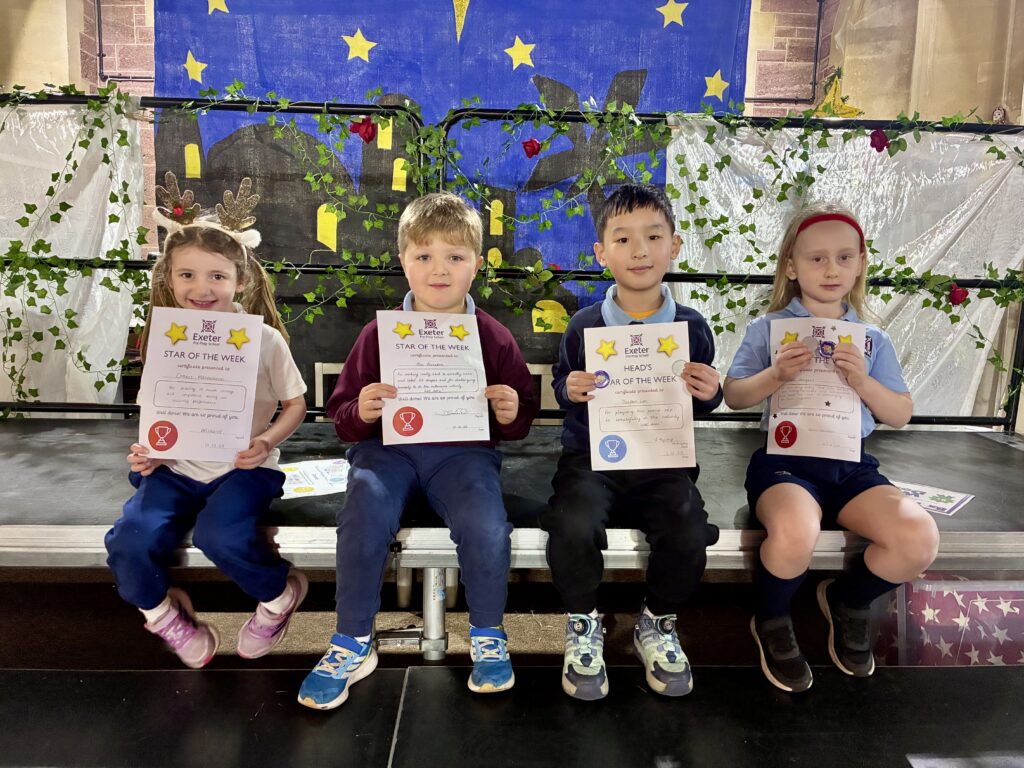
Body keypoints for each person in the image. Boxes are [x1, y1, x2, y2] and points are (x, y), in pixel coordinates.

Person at [298, 191, 539, 710]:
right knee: (362, 511)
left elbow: (521, 417)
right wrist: (363, 410)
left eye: (455, 256)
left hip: (463, 456)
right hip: (387, 454)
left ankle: (488, 633)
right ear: (403, 260)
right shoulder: (377, 334)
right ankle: (352, 639)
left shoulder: (493, 337)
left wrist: (510, 410)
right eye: (424, 255)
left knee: (486, 524)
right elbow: (342, 419)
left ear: (477, 263)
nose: (439, 269)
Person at [723, 203, 940, 693]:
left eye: (844, 257)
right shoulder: (768, 329)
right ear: (791, 266)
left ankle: (849, 600)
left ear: (860, 264)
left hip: (851, 466)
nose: (831, 269)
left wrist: (863, 381)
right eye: (816, 258)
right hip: (786, 466)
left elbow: (899, 413)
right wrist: (775, 374)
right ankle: (771, 616)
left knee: (918, 538)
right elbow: (734, 395)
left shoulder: (873, 339)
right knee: (796, 532)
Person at [105, 175, 308, 668]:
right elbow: (160, 409)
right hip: (174, 468)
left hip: (242, 468)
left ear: (240, 280)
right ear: (169, 279)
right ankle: (161, 615)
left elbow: (296, 405)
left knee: (222, 537)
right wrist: (148, 451)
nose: (201, 288)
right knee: (130, 540)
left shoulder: (264, 341)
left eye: (217, 276)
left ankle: (279, 597)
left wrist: (265, 442)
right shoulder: (163, 337)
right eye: (188, 275)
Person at [541, 183, 722, 701]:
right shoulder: (584, 325)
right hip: (591, 459)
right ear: (602, 254)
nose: (639, 250)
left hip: (664, 460)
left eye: (653, 236)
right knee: (571, 523)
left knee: (688, 529)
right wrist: (570, 389)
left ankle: (658, 622)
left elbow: (701, 400)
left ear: (674, 246)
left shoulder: (692, 327)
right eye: (623, 239)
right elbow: (563, 383)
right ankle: (583, 621)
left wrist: (711, 392)